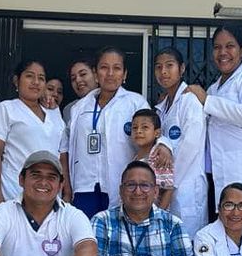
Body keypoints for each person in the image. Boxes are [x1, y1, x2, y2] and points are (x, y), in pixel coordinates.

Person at [61, 47, 172, 218]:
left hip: (122, 186)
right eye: (104, 68)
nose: (110, 74)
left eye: (117, 68)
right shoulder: (79, 108)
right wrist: (67, 190)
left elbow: (153, 131)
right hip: (84, 187)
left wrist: (164, 145)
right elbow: (65, 148)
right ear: (96, 73)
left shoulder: (135, 102)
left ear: (124, 74)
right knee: (85, 232)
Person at [185, 24, 242, 220]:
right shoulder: (214, 88)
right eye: (217, 47)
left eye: (230, 46)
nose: (223, 52)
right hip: (218, 177)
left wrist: (207, 101)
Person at [0, 60, 65, 206]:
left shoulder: (54, 113)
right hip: (13, 191)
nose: (36, 82)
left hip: (50, 195)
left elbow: (62, 154)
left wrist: (66, 191)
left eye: (41, 78)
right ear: (17, 81)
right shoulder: (5, 109)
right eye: (29, 76)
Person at [153, 46, 208, 237]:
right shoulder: (162, 106)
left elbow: (190, 146)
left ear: (182, 68)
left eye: (169, 65)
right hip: (166, 185)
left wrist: (170, 184)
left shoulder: (189, 101)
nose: (163, 72)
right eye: (158, 67)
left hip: (186, 186)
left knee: (186, 240)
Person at [130, 108, 173, 210]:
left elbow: (168, 190)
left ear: (157, 133)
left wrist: (159, 215)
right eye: (135, 128)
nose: (138, 131)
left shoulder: (158, 157)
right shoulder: (136, 157)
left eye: (145, 127)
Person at [62, 56, 96, 124]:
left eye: (83, 74)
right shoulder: (69, 109)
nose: (77, 80)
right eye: (73, 79)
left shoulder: (112, 101)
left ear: (96, 75)